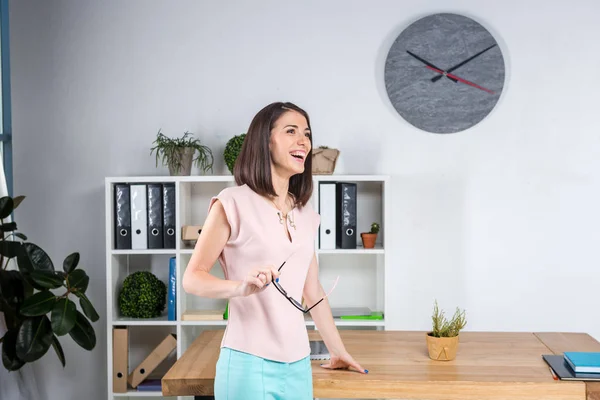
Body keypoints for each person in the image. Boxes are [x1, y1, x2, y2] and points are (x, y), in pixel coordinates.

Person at [182, 101, 367, 400]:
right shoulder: (232, 202)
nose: (303, 141)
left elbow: (312, 290)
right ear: (264, 141)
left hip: (298, 364)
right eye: (291, 131)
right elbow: (193, 278)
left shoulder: (307, 215)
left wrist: (338, 350)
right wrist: (242, 288)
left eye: (306, 133)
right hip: (247, 363)